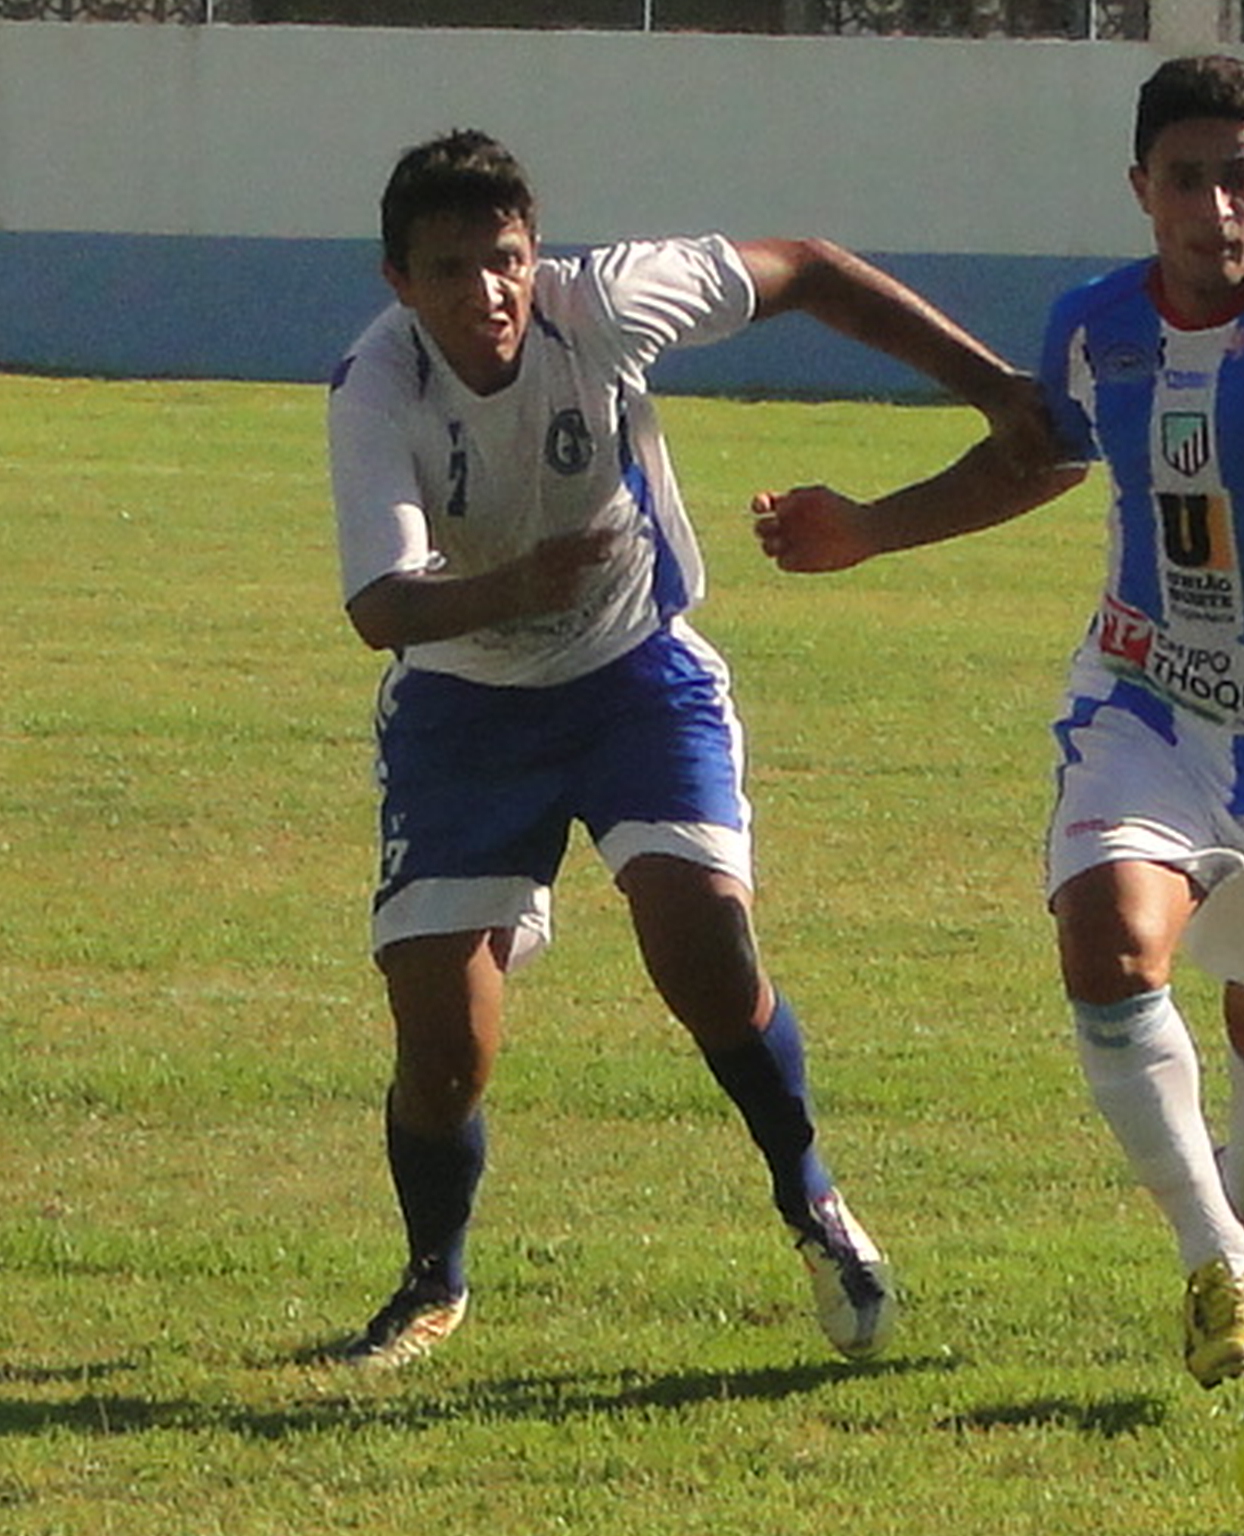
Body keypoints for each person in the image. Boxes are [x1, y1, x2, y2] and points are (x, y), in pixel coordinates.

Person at [750, 55, 1244, 1388]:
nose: (1216, 204)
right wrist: (873, 530)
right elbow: (1037, 455)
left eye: (1241, 174)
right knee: (1110, 940)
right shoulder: (1094, 326)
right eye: (1187, 177)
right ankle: (1218, 1260)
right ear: (1143, 190)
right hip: (1146, 703)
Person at [327, 128, 1048, 1369]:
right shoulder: (377, 388)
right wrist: (518, 586)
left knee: (702, 936)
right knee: (445, 1054)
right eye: (449, 269)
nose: (485, 292)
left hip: (634, 676)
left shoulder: (600, 305)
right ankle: (431, 1279)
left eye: (504, 260)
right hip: (461, 706)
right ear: (399, 281)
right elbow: (381, 610)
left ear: (535, 254)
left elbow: (811, 268)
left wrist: (993, 389)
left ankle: (811, 1196)